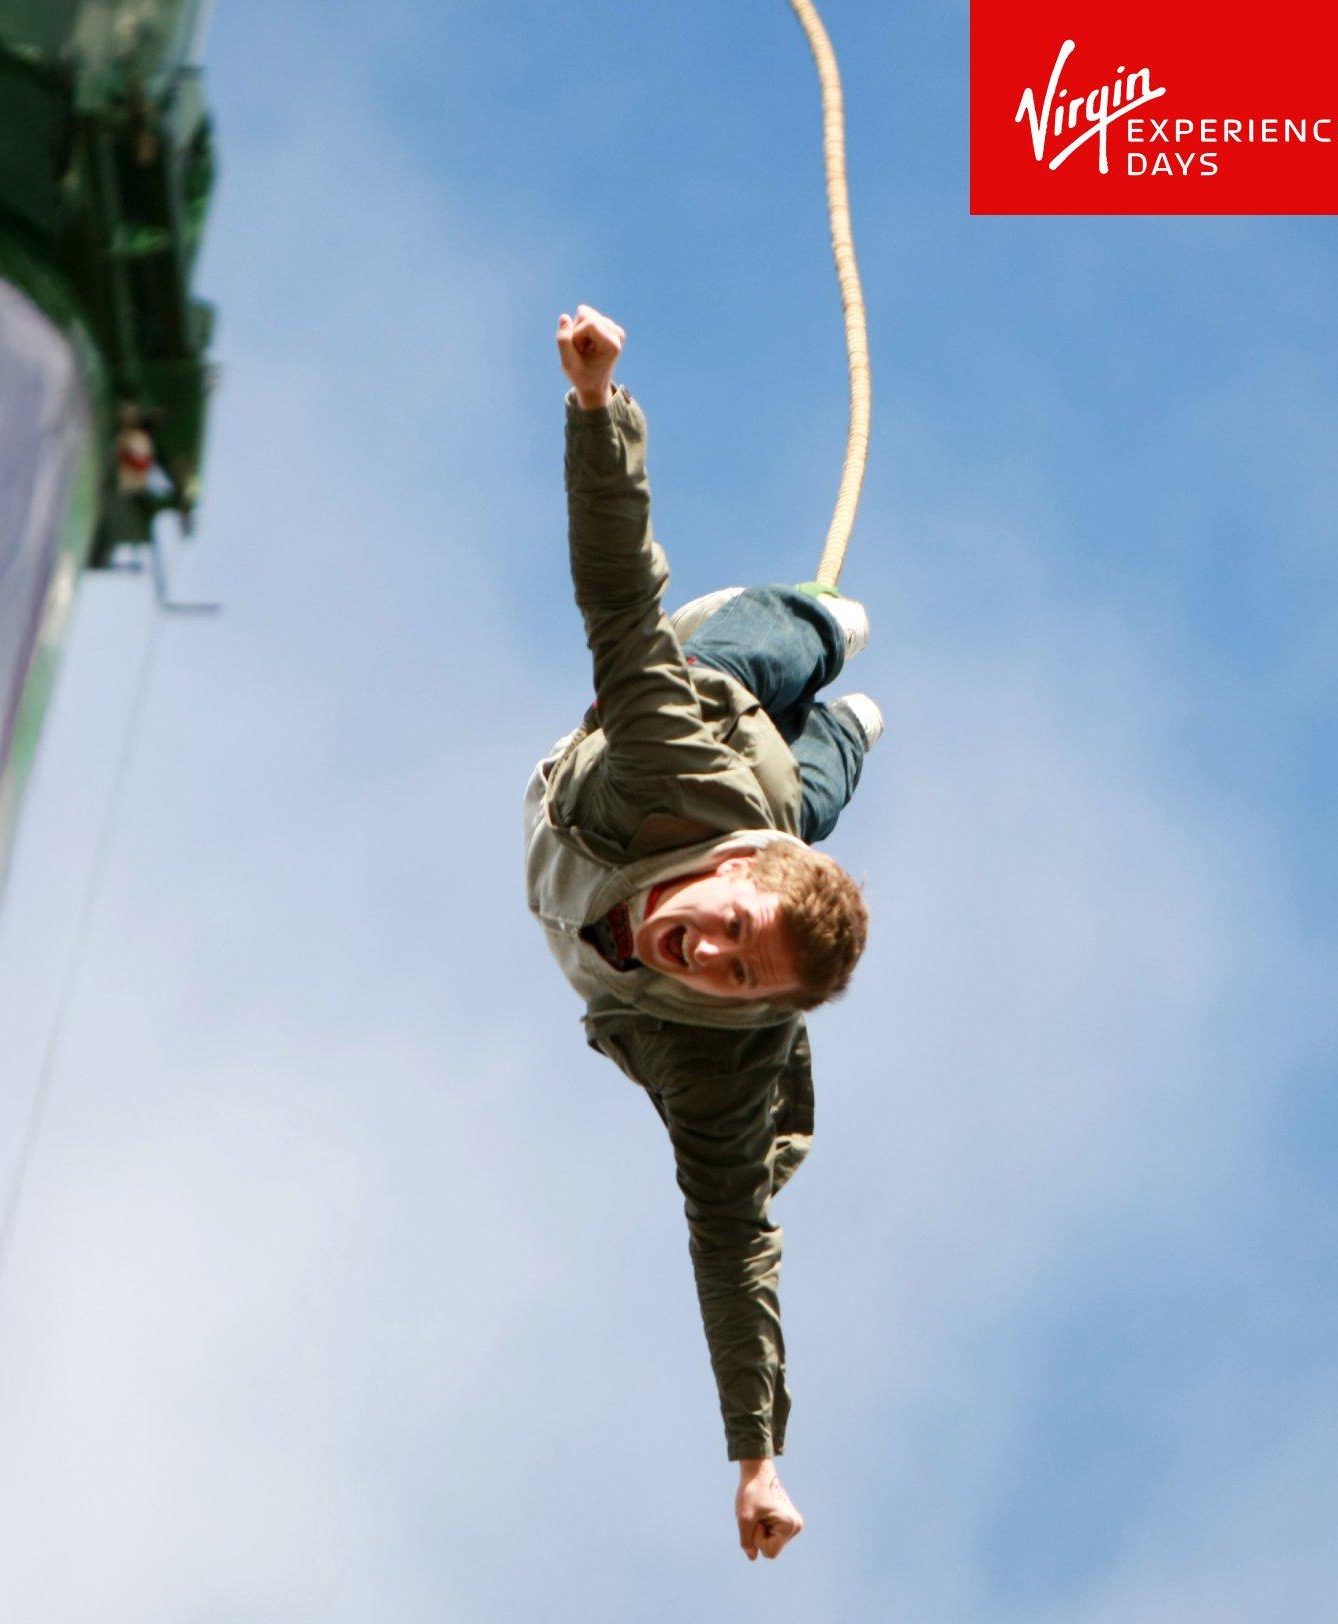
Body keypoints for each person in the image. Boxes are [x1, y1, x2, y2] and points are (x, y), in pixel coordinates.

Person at [525, 305, 884, 1561]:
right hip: (694, 743)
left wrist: (757, 1454)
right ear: (731, 872)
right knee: (763, 655)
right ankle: (827, 641)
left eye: (735, 973)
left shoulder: (723, 1057)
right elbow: (620, 598)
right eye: (732, 929)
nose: (707, 955)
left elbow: (734, 1245)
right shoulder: (689, 779)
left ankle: (852, 731)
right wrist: (597, 409)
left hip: (768, 816)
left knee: (817, 787)